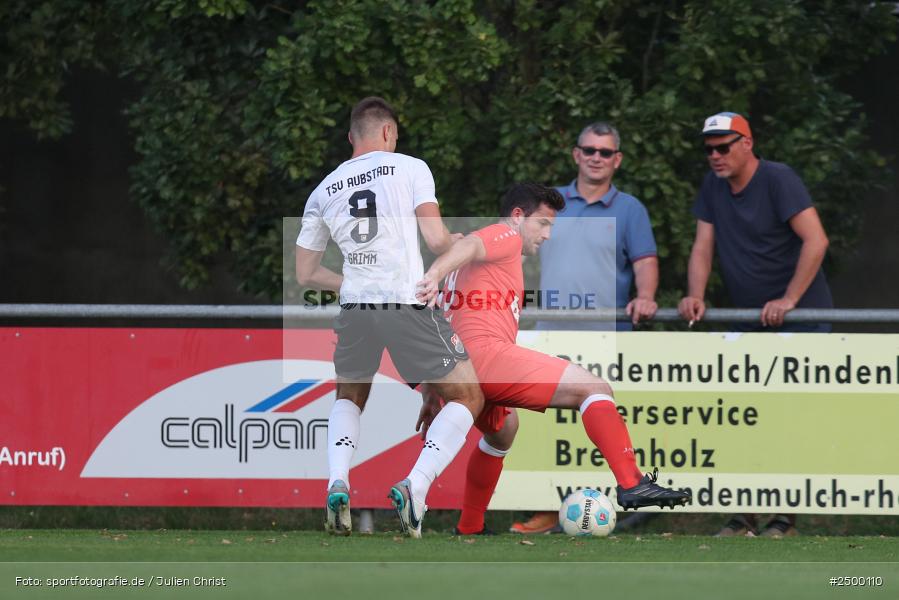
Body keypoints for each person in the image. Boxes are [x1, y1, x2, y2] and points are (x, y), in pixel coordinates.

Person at [415, 183, 691, 537]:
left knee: (503, 433)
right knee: (594, 387)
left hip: (456, 366)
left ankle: (469, 526)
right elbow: (470, 244)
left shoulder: (470, 264)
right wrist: (432, 276)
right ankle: (631, 482)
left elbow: (444, 313)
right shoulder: (505, 234)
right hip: (484, 356)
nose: (547, 235)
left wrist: (429, 391)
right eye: (543, 224)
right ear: (518, 217)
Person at [295, 96, 484, 538]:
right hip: (405, 301)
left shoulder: (324, 189)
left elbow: (304, 273)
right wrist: (459, 242)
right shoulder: (411, 167)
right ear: (388, 133)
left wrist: (355, 283)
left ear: (350, 138)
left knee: (349, 395)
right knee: (469, 396)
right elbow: (437, 240)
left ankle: (337, 482)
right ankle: (415, 487)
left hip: (356, 306)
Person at [678, 111, 834, 537]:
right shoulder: (713, 185)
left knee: (787, 420)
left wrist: (789, 300)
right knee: (740, 417)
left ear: (747, 143)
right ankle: (743, 516)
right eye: (709, 148)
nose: (715, 156)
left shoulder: (779, 178)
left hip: (801, 321)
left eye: (724, 146)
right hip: (752, 323)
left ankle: (783, 518)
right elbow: (702, 247)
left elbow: (816, 239)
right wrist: (695, 294)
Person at [519, 121, 660, 534]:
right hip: (550, 332)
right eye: (590, 150)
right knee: (546, 430)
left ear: (616, 160)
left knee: (600, 425)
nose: (597, 157)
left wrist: (647, 294)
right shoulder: (552, 203)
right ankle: (547, 510)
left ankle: (614, 508)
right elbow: (520, 253)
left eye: (605, 152)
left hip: (607, 336)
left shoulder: (630, 209)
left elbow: (645, 262)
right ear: (576, 154)